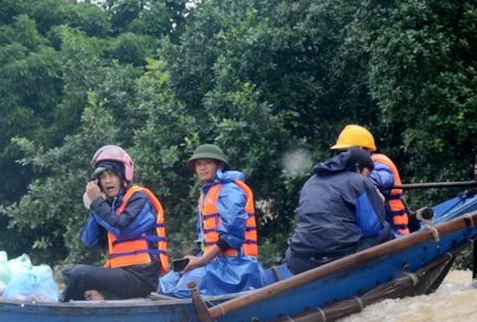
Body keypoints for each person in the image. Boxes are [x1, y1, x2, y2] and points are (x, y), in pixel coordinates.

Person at [61, 146, 169, 302]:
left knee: (80, 274)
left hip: (141, 277)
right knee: (69, 274)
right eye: (102, 176)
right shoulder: (111, 206)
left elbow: (122, 228)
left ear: (123, 175)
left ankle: (62, 312)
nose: (107, 181)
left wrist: (98, 203)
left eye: (112, 174)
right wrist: (97, 203)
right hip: (121, 274)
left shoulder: (140, 198)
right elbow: (90, 240)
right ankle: (105, 297)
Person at [158, 144, 264, 298]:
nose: (202, 168)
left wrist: (201, 261)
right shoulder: (206, 193)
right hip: (214, 262)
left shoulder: (230, 189)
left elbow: (232, 235)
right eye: (199, 164)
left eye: (208, 162)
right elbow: (204, 238)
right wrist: (193, 257)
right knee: (166, 283)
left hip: (236, 266)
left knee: (183, 291)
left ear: (219, 165)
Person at [284, 146, 393, 275]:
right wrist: (378, 203)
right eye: (367, 175)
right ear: (357, 167)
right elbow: (372, 228)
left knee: (290, 251)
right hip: (341, 257)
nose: (367, 179)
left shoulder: (310, 182)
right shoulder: (359, 181)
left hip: (300, 261)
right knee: (385, 229)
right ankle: (384, 274)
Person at [331, 124, 410, 236]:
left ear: (360, 149)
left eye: (346, 151)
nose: (343, 156)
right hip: (372, 230)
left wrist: (354, 175)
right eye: (341, 152)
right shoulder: (352, 168)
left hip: (396, 232)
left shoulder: (379, 162)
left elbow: (384, 179)